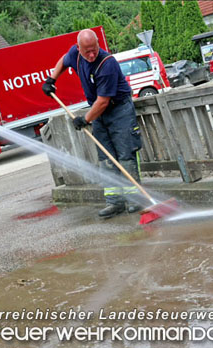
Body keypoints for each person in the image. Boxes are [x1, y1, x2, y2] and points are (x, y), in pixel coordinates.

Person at [42, 29, 144, 219]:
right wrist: (51, 79)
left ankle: (135, 199)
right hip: (98, 112)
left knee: (125, 153)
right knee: (105, 156)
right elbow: (64, 60)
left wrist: (85, 119)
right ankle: (115, 202)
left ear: (98, 44)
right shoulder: (75, 54)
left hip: (118, 110)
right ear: (78, 47)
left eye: (94, 49)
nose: (91, 54)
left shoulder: (107, 63)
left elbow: (103, 101)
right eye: (87, 50)